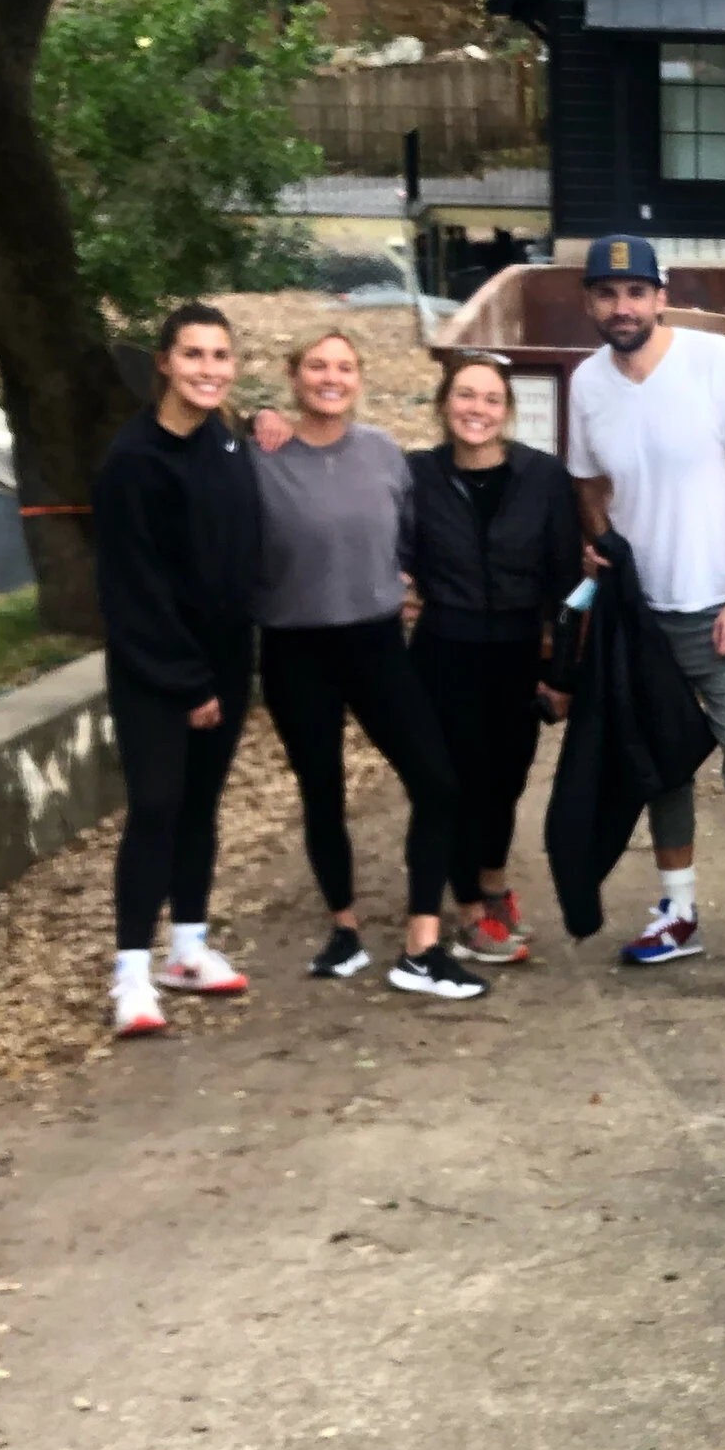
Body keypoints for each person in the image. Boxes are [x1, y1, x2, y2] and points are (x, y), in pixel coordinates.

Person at [562, 233, 725, 1005]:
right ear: (591, 303)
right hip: (644, 617)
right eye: (607, 293)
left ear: (660, 297)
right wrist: (601, 546)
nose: (622, 306)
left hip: (722, 610)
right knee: (658, 760)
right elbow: (588, 482)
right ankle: (677, 910)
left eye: (636, 292)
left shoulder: (716, 362)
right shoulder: (587, 383)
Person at [246, 330, 485, 1002]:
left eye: (344, 367)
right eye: (317, 366)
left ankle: (421, 942)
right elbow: (205, 446)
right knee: (322, 789)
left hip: (376, 642)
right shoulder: (257, 455)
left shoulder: (384, 455)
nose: (331, 377)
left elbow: (411, 536)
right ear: (293, 378)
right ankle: (344, 929)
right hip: (294, 648)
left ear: (358, 380)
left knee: (437, 783)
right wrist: (248, 417)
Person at [91, 302, 264, 1039]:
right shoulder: (133, 462)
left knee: (201, 806)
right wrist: (188, 682)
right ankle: (131, 970)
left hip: (224, 660)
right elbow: (134, 590)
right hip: (157, 667)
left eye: (220, 356)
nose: (208, 370)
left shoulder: (222, 443)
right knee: (157, 807)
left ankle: (187, 946)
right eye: (193, 356)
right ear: (164, 362)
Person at [406, 350, 581, 965]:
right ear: (444, 404)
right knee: (455, 783)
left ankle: (490, 881)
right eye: (464, 396)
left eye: (490, 399)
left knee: (504, 781)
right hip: (443, 650)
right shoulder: (417, 475)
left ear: (507, 411)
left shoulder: (542, 478)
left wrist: (561, 673)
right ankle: (470, 915)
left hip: (514, 651)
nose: (476, 410)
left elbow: (567, 583)